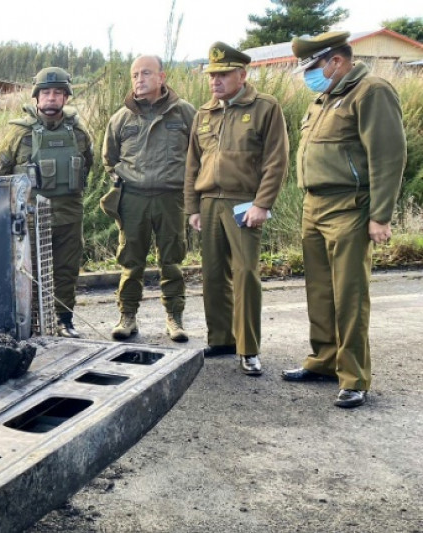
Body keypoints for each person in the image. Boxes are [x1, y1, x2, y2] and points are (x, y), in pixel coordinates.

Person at [281, 31, 407, 408]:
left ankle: (354, 377)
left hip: (350, 207)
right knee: (319, 291)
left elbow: (389, 156)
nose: (308, 75)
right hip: (314, 206)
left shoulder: (370, 92)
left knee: (350, 296)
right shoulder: (325, 98)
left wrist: (380, 216)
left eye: (312, 66)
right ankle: (323, 361)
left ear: (336, 61)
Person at [184, 42, 289, 376]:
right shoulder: (204, 113)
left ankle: (248, 348)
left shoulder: (264, 107)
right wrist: (193, 208)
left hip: (244, 204)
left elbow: (276, 160)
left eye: (224, 74)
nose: (215, 81)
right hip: (209, 202)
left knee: (245, 274)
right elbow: (192, 164)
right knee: (213, 275)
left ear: (242, 75)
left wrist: (263, 204)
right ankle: (221, 339)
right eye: (212, 75)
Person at [102, 55, 196, 342]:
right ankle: (127, 316)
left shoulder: (184, 114)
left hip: (171, 199)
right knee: (131, 262)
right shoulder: (121, 118)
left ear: (162, 77)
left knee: (172, 261)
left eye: (145, 73)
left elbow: (199, 154)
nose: (139, 80)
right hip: (134, 200)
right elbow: (110, 159)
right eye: (134, 75)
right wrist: (124, 181)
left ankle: (174, 318)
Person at [0, 67, 94, 338]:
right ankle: (35, 324)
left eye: (58, 93)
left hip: (69, 216)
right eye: (46, 92)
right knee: (31, 272)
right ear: (36, 97)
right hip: (31, 217)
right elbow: (0, 176)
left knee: (66, 271)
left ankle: (65, 321)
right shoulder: (18, 135)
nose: (51, 98)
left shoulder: (79, 134)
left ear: (66, 97)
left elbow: (88, 166)